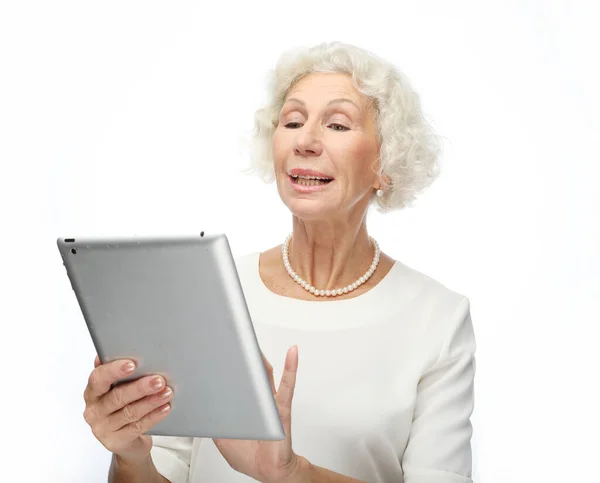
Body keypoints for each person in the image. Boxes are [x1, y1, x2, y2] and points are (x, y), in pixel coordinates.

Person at [82, 41, 476, 483]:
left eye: (338, 125)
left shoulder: (437, 318)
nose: (305, 141)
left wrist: (293, 474)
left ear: (386, 164)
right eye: (292, 121)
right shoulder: (207, 295)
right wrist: (129, 455)